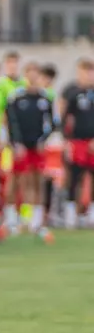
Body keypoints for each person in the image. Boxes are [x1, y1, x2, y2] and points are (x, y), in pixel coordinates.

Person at [5, 66, 57, 233]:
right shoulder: (16, 98)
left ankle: (35, 220)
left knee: (37, 181)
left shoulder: (45, 99)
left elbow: (53, 123)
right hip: (20, 146)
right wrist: (15, 142)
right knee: (17, 180)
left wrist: (44, 140)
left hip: (37, 145)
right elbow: (10, 122)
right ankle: (13, 218)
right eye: (30, 76)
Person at [58, 59, 94, 228]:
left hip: (92, 141)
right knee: (74, 176)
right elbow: (66, 118)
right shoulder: (72, 92)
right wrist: (67, 141)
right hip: (77, 141)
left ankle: (90, 214)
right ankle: (71, 212)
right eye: (85, 71)